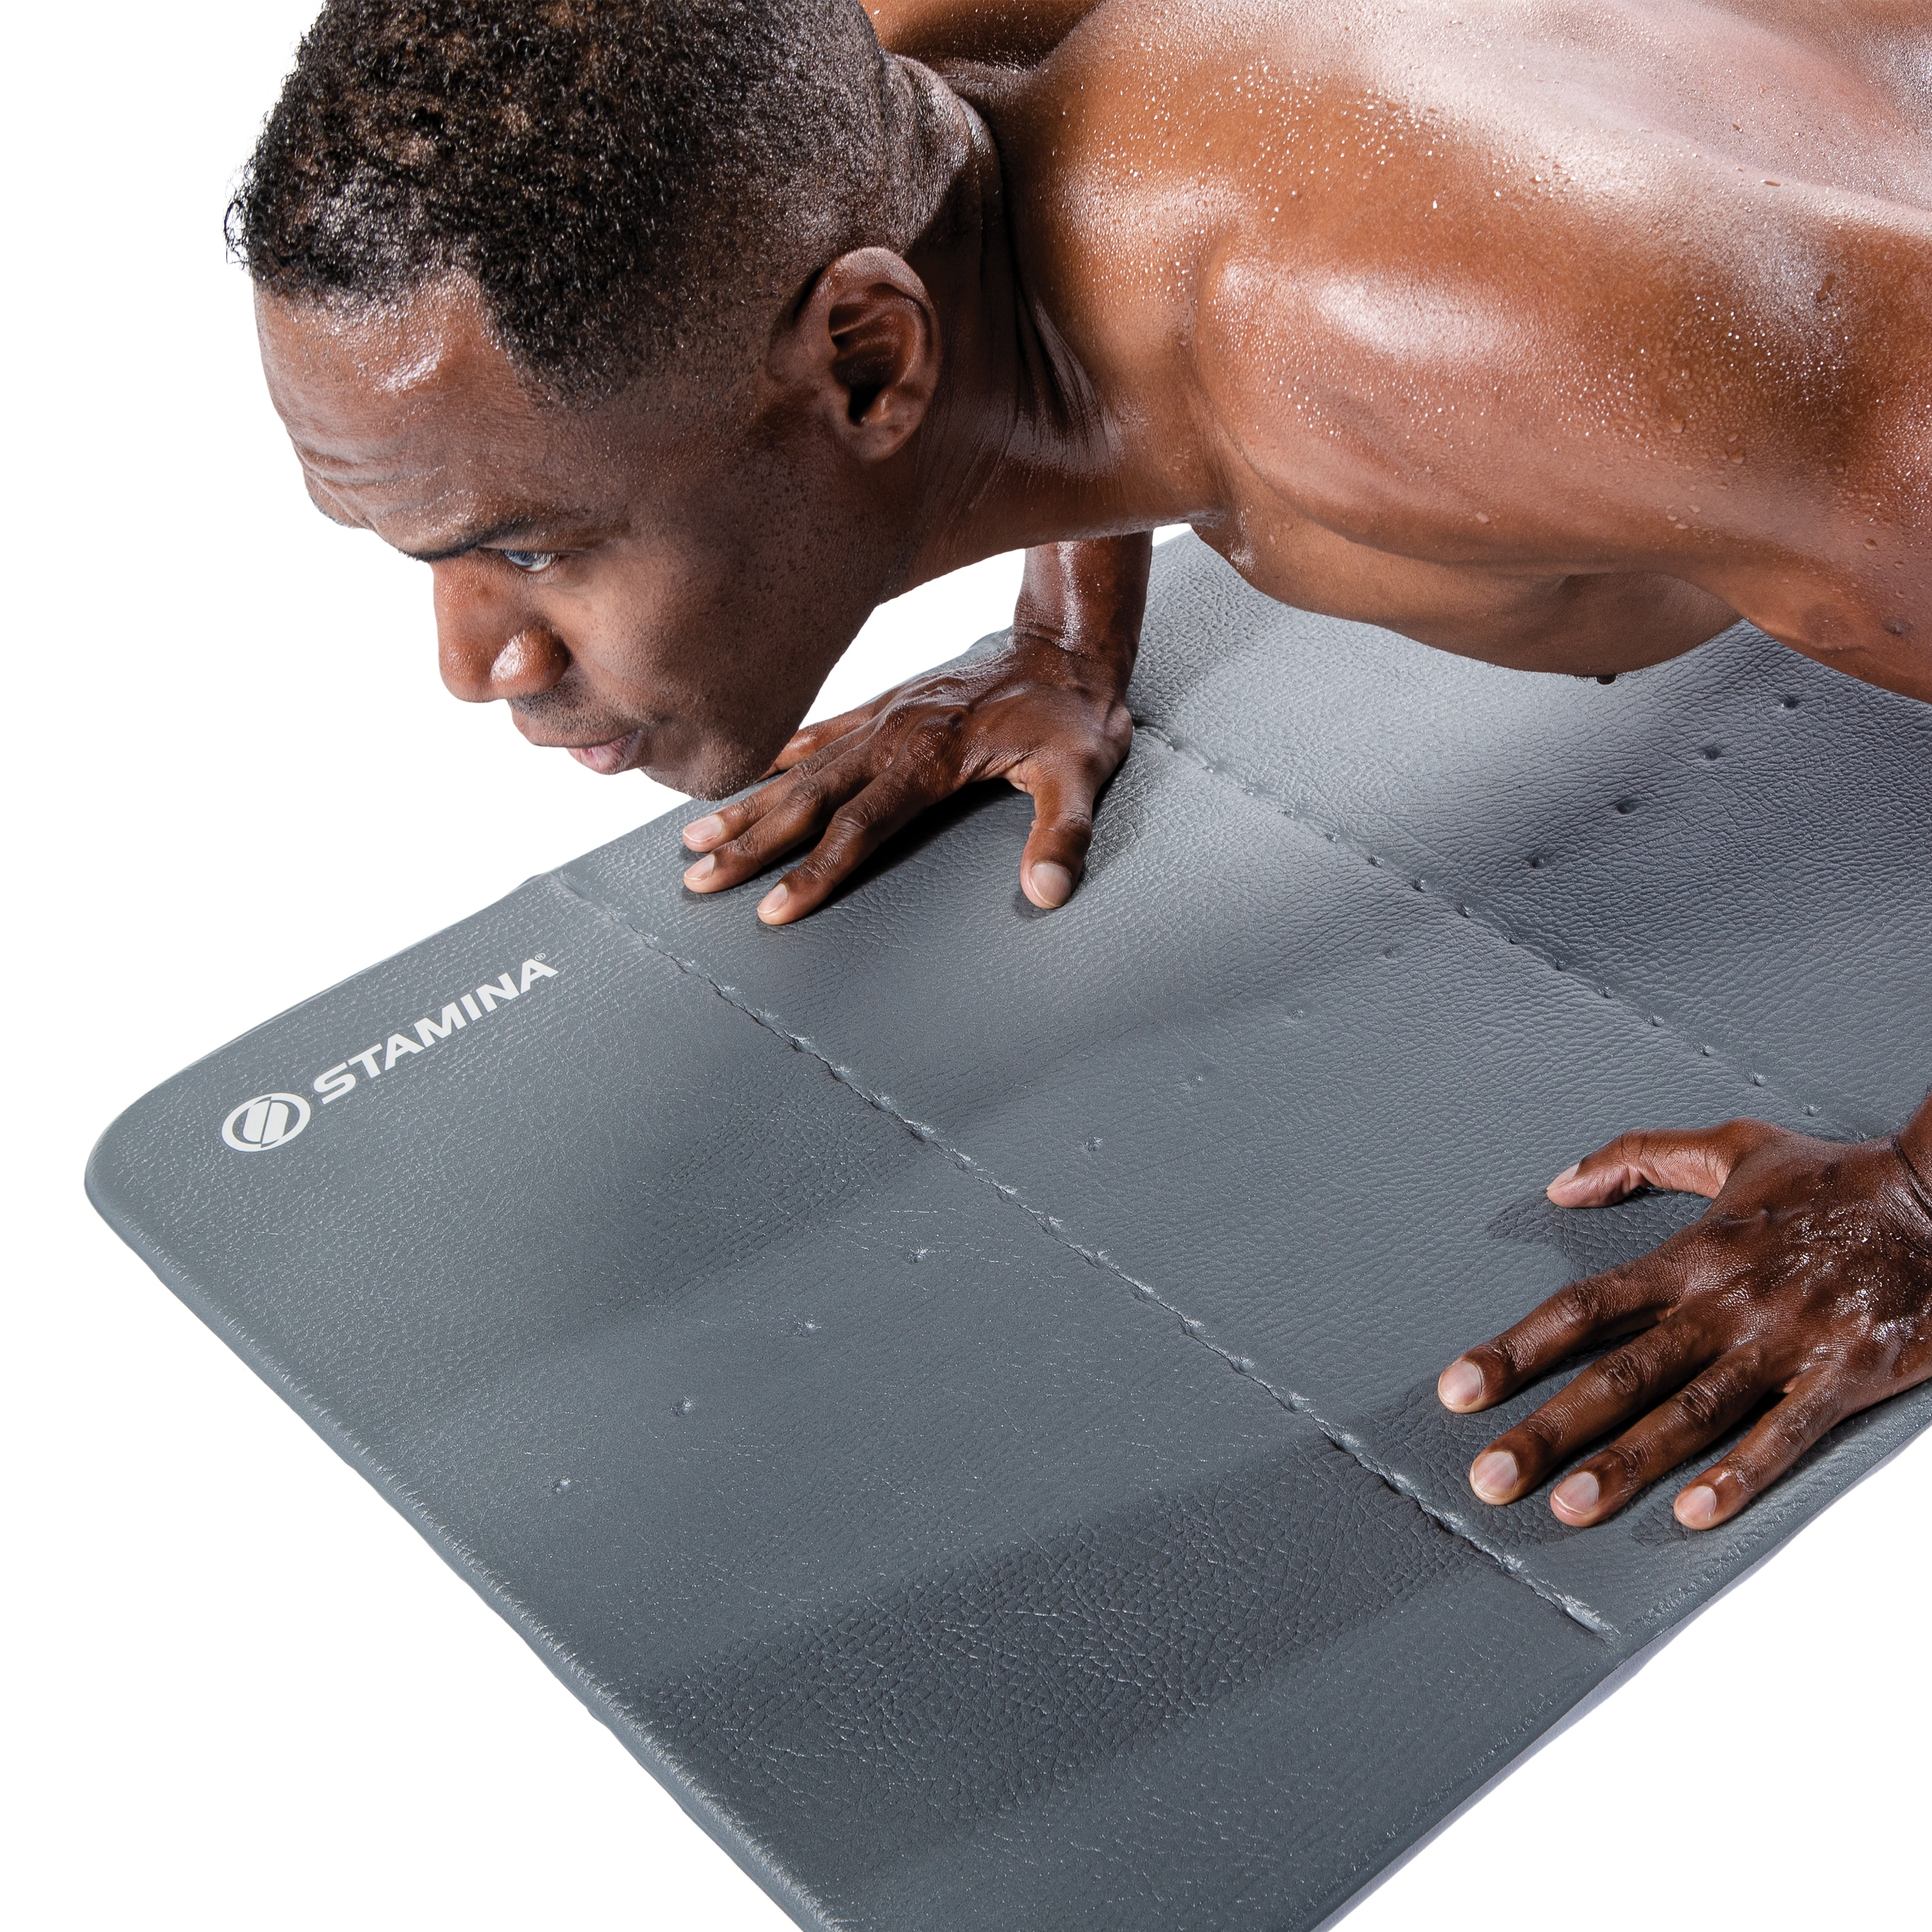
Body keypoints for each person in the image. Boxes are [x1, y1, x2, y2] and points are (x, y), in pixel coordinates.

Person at [235, 0, 1931, 1536]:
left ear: (869, 363)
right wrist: (1059, 639)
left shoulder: (1437, 345)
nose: (473, 661)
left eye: (529, 547)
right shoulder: (827, 109)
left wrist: (1915, 1212)